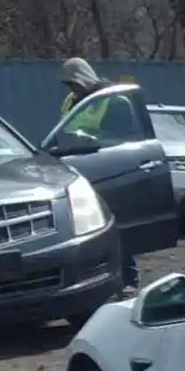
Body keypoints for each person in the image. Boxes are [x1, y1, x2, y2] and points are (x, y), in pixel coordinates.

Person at [60, 57, 138, 293]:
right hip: (81, 170)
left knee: (117, 223)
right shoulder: (71, 100)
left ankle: (129, 279)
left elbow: (122, 137)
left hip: (108, 168)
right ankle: (97, 280)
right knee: (89, 227)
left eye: (74, 82)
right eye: (68, 84)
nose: (72, 88)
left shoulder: (113, 100)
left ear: (84, 77)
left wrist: (92, 139)